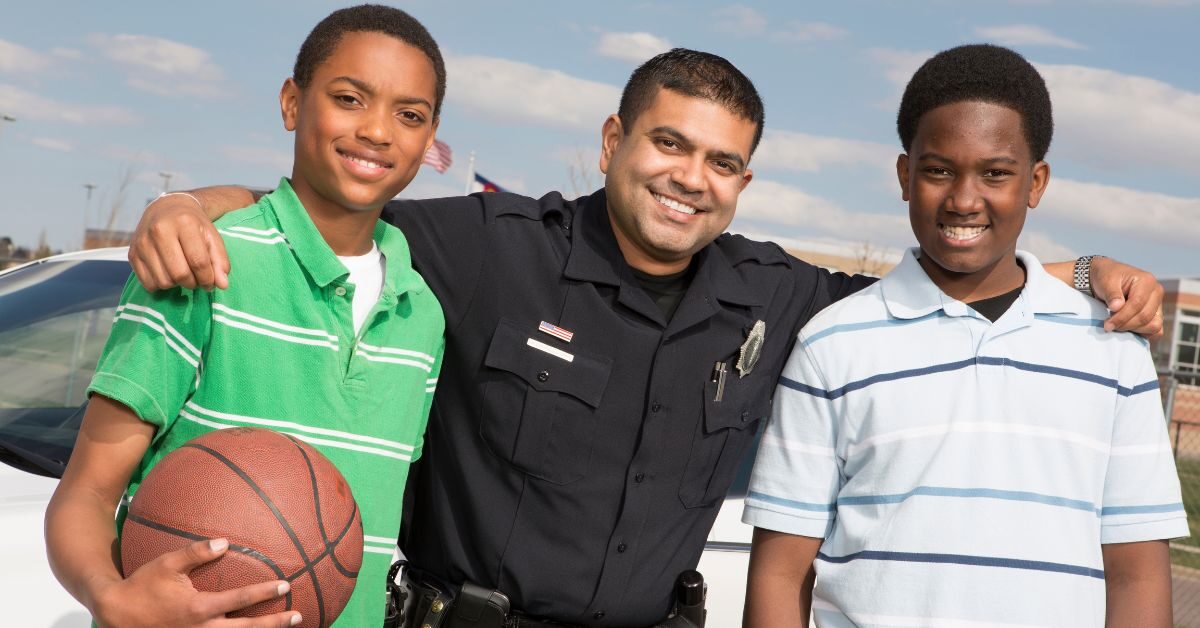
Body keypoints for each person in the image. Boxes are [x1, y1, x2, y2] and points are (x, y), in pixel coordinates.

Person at [127, 47, 1166, 626]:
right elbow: (337, 206)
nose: (689, 176)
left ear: (744, 182)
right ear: (615, 140)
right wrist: (195, 203)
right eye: (670, 143)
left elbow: (948, 257)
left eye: (721, 161)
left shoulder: (777, 295)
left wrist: (1090, 272)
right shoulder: (491, 248)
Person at [742, 44, 1186, 628]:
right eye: (938, 170)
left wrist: (1087, 270)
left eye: (996, 173)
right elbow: (779, 572)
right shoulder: (832, 344)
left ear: (1036, 181)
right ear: (906, 175)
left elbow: (1137, 571)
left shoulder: (1111, 347)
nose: (964, 199)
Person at [43, 6, 446, 627]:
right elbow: (86, 494)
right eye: (349, 98)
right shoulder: (203, 259)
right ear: (292, 103)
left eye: (409, 114)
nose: (377, 131)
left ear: (429, 136)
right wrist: (111, 597)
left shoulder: (422, 315)